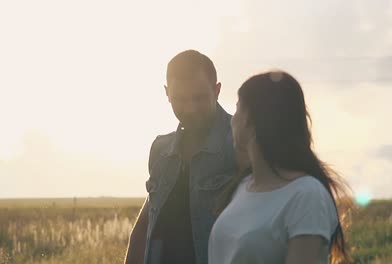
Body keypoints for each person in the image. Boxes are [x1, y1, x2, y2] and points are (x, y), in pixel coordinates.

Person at [209, 71, 353, 264]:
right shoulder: (242, 187)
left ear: (250, 119)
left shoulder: (307, 196)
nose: (232, 120)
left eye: (237, 109)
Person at [125, 50, 237, 264]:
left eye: (199, 98)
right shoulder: (161, 150)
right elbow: (146, 226)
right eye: (180, 99)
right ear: (167, 93)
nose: (190, 109)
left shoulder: (242, 143)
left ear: (217, 90)